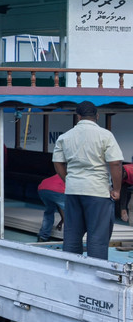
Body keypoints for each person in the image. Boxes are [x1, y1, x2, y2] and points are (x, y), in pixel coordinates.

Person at [53, 101, 123, 260]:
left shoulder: (65, 137)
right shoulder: (105, 135)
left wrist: (68, 179)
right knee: (97, 238)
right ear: (97, 116)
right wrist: (117, 190)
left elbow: (57, 162)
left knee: (72, 237)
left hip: (73, 191)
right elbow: (115, 163)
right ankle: (95, 278)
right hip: (97, 191)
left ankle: (72, 272)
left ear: (78, 116)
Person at [36, 173, 65, 241]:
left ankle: (43, 237)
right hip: (57, 189)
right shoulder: (73, 176)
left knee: (49, 212)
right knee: (72, 214)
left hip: (42, 188)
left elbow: (58, 204)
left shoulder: (61, 172)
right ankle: (71, 238)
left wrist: (63, 219)